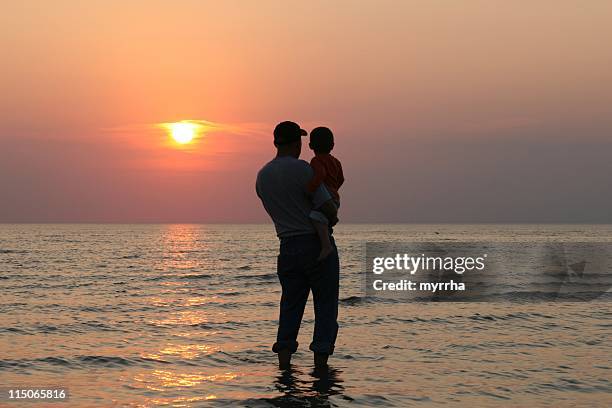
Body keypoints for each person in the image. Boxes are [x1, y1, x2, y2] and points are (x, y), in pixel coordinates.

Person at [256, 121, 340, 369]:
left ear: (275, 142)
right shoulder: (303, 169)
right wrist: (333, 216)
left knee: (290, 307)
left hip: (287, 246)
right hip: (315, 243)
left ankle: (284, 363)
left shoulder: (263, 176)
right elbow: (325, 203)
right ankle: (320, 366)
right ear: (297, 143)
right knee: (325, 307)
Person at [307, 127, 344, 261]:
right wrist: (334, 189)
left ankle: (326, 245)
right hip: (335, 197)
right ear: (332, 145)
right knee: (323, 219)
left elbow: (320, 174)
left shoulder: (316, 161)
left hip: (327, 197)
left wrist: (311, 187)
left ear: (310, 145)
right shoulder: (336, 161)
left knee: (316, 217)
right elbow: (341, 179)